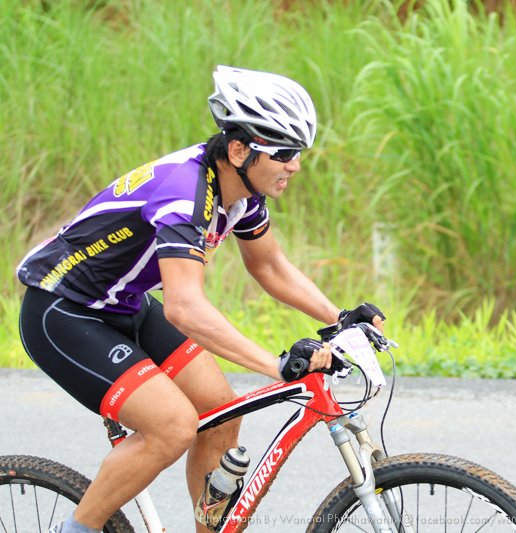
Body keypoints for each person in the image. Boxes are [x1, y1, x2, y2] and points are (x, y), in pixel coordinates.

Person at [16, 65, 386, 533]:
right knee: (173, 427)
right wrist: (277, 365)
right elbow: (184, 307)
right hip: (63, 312)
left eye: (298, 153)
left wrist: (341, 317)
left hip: (125, 305)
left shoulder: (242, 191)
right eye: (284, 152)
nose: (294, 165)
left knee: (221, 413)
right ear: (239, 150)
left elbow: (269, 265)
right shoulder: (185, 194)